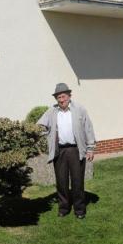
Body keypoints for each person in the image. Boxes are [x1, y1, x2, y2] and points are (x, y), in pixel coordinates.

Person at [36, 83, 96, 219]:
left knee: (77, 181)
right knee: (61, 181)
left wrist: (90, 148)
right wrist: (41, 132)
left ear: (69, 96)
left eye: (63, 96)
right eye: (58, 97)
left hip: (76, 150)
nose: (61, 100)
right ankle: (63, 208)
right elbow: (40, 125)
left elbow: (88, 129)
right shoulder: (52, 111)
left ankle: (79, 210)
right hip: (60, 151)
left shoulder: (79, 109)